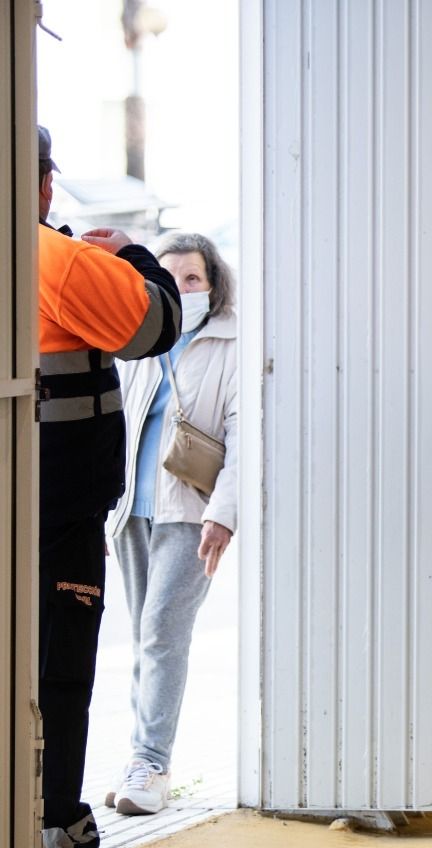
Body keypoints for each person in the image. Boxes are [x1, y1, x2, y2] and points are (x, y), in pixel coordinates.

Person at [36, 126, 180, 848]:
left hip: (33, 502)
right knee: (59, 676)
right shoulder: (56, 260)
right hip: (58, 511)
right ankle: (60, 840)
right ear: (44, 183)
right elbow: (157, 325)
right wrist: (132, 255)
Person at [104, 232, 240, 815]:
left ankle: (151, 763)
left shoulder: (234, 343)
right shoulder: (137, 339)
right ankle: (141, 757)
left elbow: (244, 437)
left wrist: (223, 515)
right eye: (173, 279)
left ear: (213, 283)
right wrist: (102, 507)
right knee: (145, 636)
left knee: (162, 632)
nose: (183, 290)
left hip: (190, 513)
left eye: (193, 278)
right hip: (132, 510)